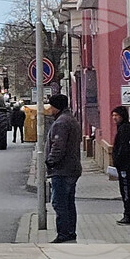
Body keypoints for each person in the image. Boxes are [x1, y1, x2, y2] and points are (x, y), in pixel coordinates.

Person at [45, 93, 82, 243]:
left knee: (59, 203)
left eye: (51, 106)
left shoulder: (61, 123)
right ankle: (70, 232)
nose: (49, 108)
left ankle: (63, 233)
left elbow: (58, 147)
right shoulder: (71, 119)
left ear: (57, 107)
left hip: (62, 169)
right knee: (69, 203)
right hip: (71, 168)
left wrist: (50, 162)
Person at [111, 106, 130, 224]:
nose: (114, 118)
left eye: (116, 115)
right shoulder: (122, 128)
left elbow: (124, 148)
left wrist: (117, 160)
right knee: (126, 190)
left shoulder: (125, 129)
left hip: (125, 166)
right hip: (124, 165)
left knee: (126, 190)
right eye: (113, 115)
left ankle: (129, 214)